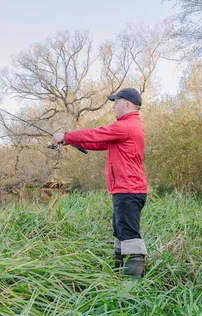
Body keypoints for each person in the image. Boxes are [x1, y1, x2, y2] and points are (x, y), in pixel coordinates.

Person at [52, 88, 148, 279]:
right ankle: (121, 275)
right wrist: (69, 141)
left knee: (128, 234)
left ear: (127, 104)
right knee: (120, 232)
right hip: (124, 190)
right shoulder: (125, 127)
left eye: (116, 101)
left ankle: (133, 285)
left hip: (128, 189)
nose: (114, 105)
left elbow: (96, 134)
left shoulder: (126, 126)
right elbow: (97, 143)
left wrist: (66, 135)